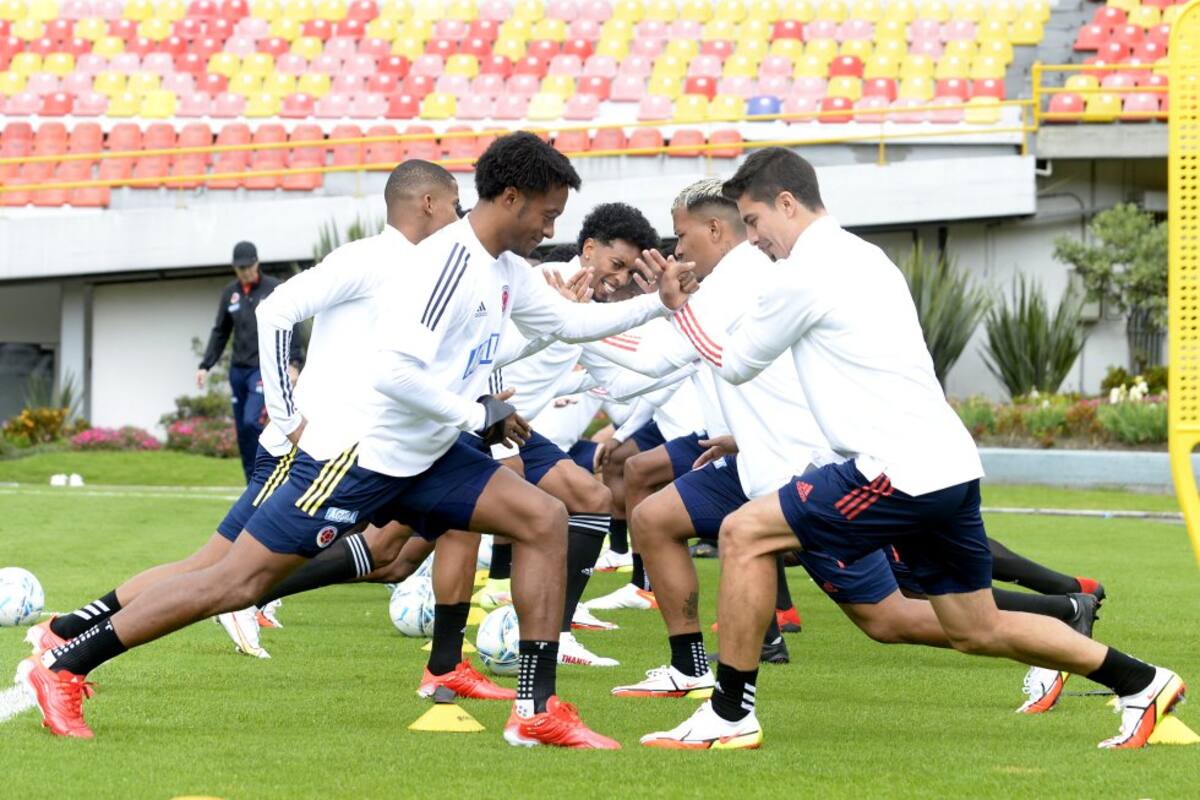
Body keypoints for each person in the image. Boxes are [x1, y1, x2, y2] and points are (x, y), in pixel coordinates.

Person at [21, 133, 697, 749]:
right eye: (548, 212)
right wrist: (475, 413)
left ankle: (535, 707)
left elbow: (571, 327)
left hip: (430, 454)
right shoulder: (444, 265)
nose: (552, 227)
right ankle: (66, 664)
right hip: (358, 457)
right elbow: (396, 373)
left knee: (544, 517)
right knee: (234, 582)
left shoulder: (505, 270)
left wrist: (660, 303)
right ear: (511, 198)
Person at [639, 148, 1183, 750]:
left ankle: (730, 714)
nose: (754, 239)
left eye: (756, 222)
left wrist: (678, 308)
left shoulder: (806, 269)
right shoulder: (865, 256)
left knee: (745, 533)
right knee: (975, 627)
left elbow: (737, 363)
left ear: (786, 204)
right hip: (945, 463)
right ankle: (1141, 681)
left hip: (893, 469)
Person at [25, 160, 463, 666]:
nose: (459, 216)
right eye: (454, 203)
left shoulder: (423, 270)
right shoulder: (369, 259)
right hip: (302, 452)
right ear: (428, 203)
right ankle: (66, 638)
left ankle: (68, 630)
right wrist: (287, 414)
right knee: (213, 570)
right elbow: (275, 310)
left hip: (348, 453)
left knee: (382, 554)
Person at [197, 240, 303, 481]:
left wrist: (294, 362)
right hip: (238, 371)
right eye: (240, 268)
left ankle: (274, 473)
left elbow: (292, 325)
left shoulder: (274, 288)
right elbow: (220, 331)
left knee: (252, 420)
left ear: (257, 263)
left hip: (262, 370)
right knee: (243, 430)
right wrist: (205, 365)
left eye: (248, 267)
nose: (244, 272)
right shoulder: (230, 294)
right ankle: (252, 483)